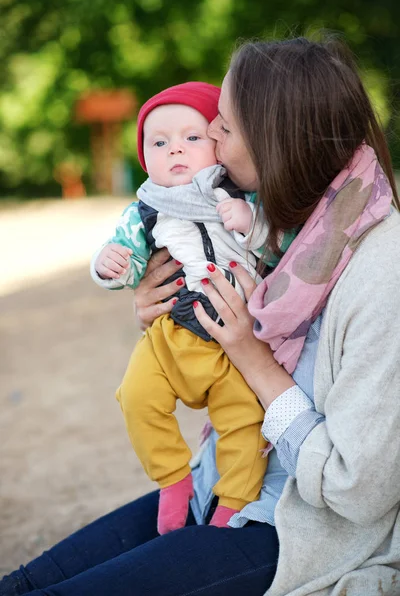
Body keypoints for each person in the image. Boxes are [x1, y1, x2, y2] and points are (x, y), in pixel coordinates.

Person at [2, 35, 400, 596]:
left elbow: (359, 487)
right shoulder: (279, 224)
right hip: (219, 482)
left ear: (276, 142)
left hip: (293, 528)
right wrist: (164, 313)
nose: (207, 133)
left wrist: (248, 351)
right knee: (20, 584)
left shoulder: (380, 269)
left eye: (225, 126)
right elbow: (200, 363)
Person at [90, 81, 296, 534]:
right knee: (136, 397)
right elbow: (128, 259)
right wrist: (110, 267)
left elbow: (284, 252)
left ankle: (231, 504)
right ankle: (173, 479)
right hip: (169, 336)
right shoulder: (145, 209)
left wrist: (254, 226)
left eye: (192, 137)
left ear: (220, 145)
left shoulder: (244, 198)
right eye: (159, 143)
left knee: (245, 420)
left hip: (231, 345)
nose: (175, 150)